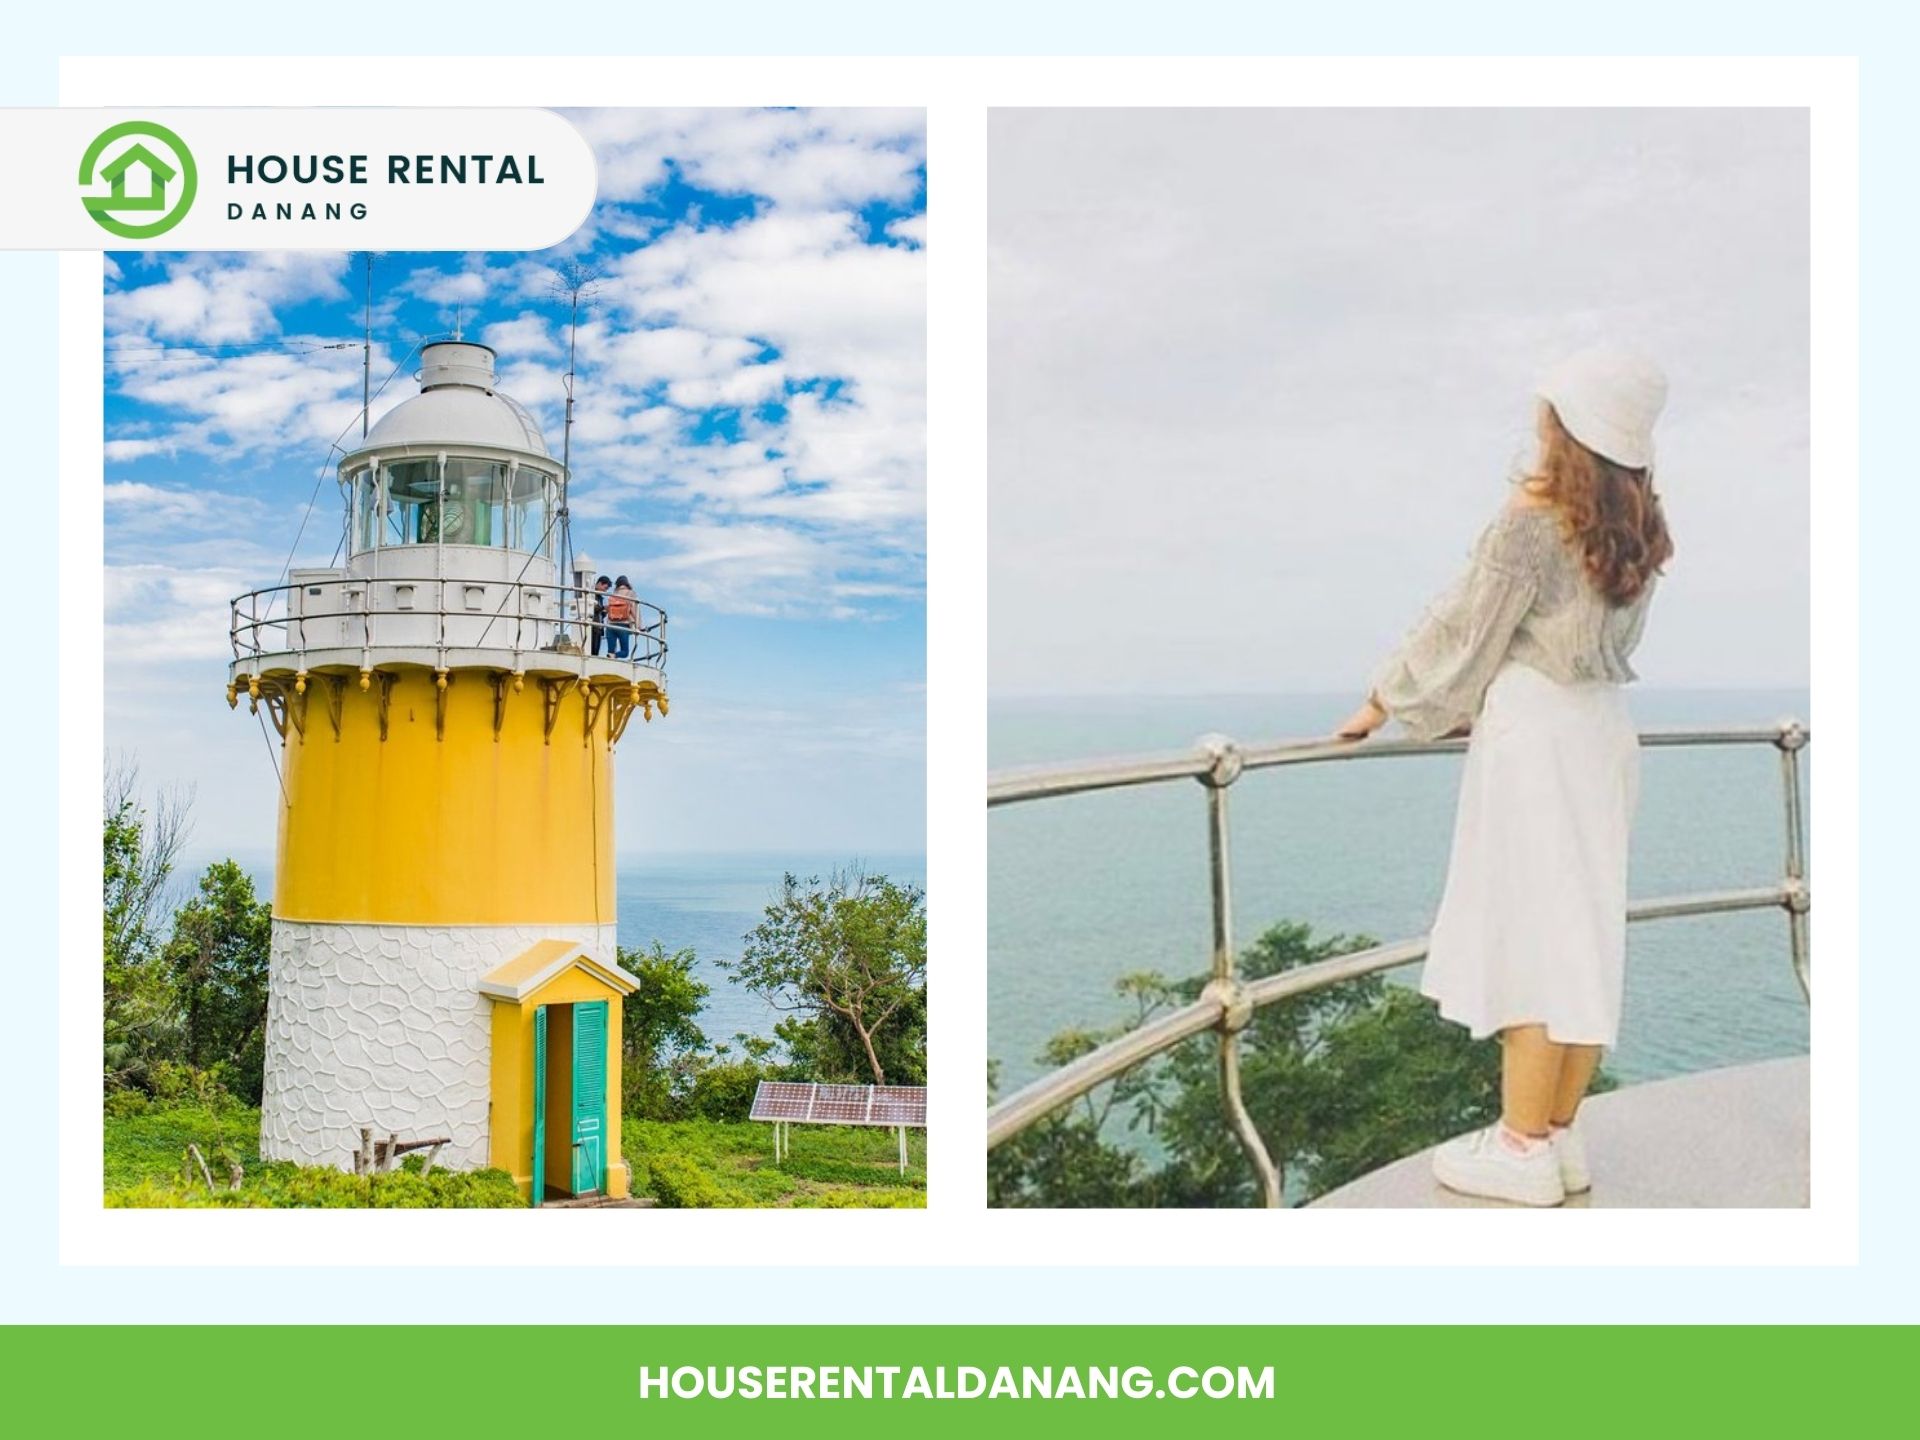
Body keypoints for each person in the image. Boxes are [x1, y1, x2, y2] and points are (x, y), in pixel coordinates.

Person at [1335, 347, 1672, 1206]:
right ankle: (1559, 1138)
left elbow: (1466, 625)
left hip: (1536, 737)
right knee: (1585, 932)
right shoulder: (1641, 522)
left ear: (1567, 423)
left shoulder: (1536, 515)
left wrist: (1384, 699)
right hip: (1600, 733)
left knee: (1531, 931)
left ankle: (1520, 1147)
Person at [605, 575, 636, 660]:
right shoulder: (630, 593)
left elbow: (608, 610)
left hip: (610, 625)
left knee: (610, 652)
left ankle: (611, 658)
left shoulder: (613, 594)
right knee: (625, 652)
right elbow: (635, 611)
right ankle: (615, 656)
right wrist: (639, 626)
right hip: (623, 625)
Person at [588, 575, 611, 657]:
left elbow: (599, 614)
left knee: (595, 652)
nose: (605, 591)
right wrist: (603, 607)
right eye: (605, 588)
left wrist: (606, 612)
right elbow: (590, 607)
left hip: (598, 628)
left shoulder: (599, 597)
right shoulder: (591, 594)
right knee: (592, 651)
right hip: (593, 627)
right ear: (600, 584)